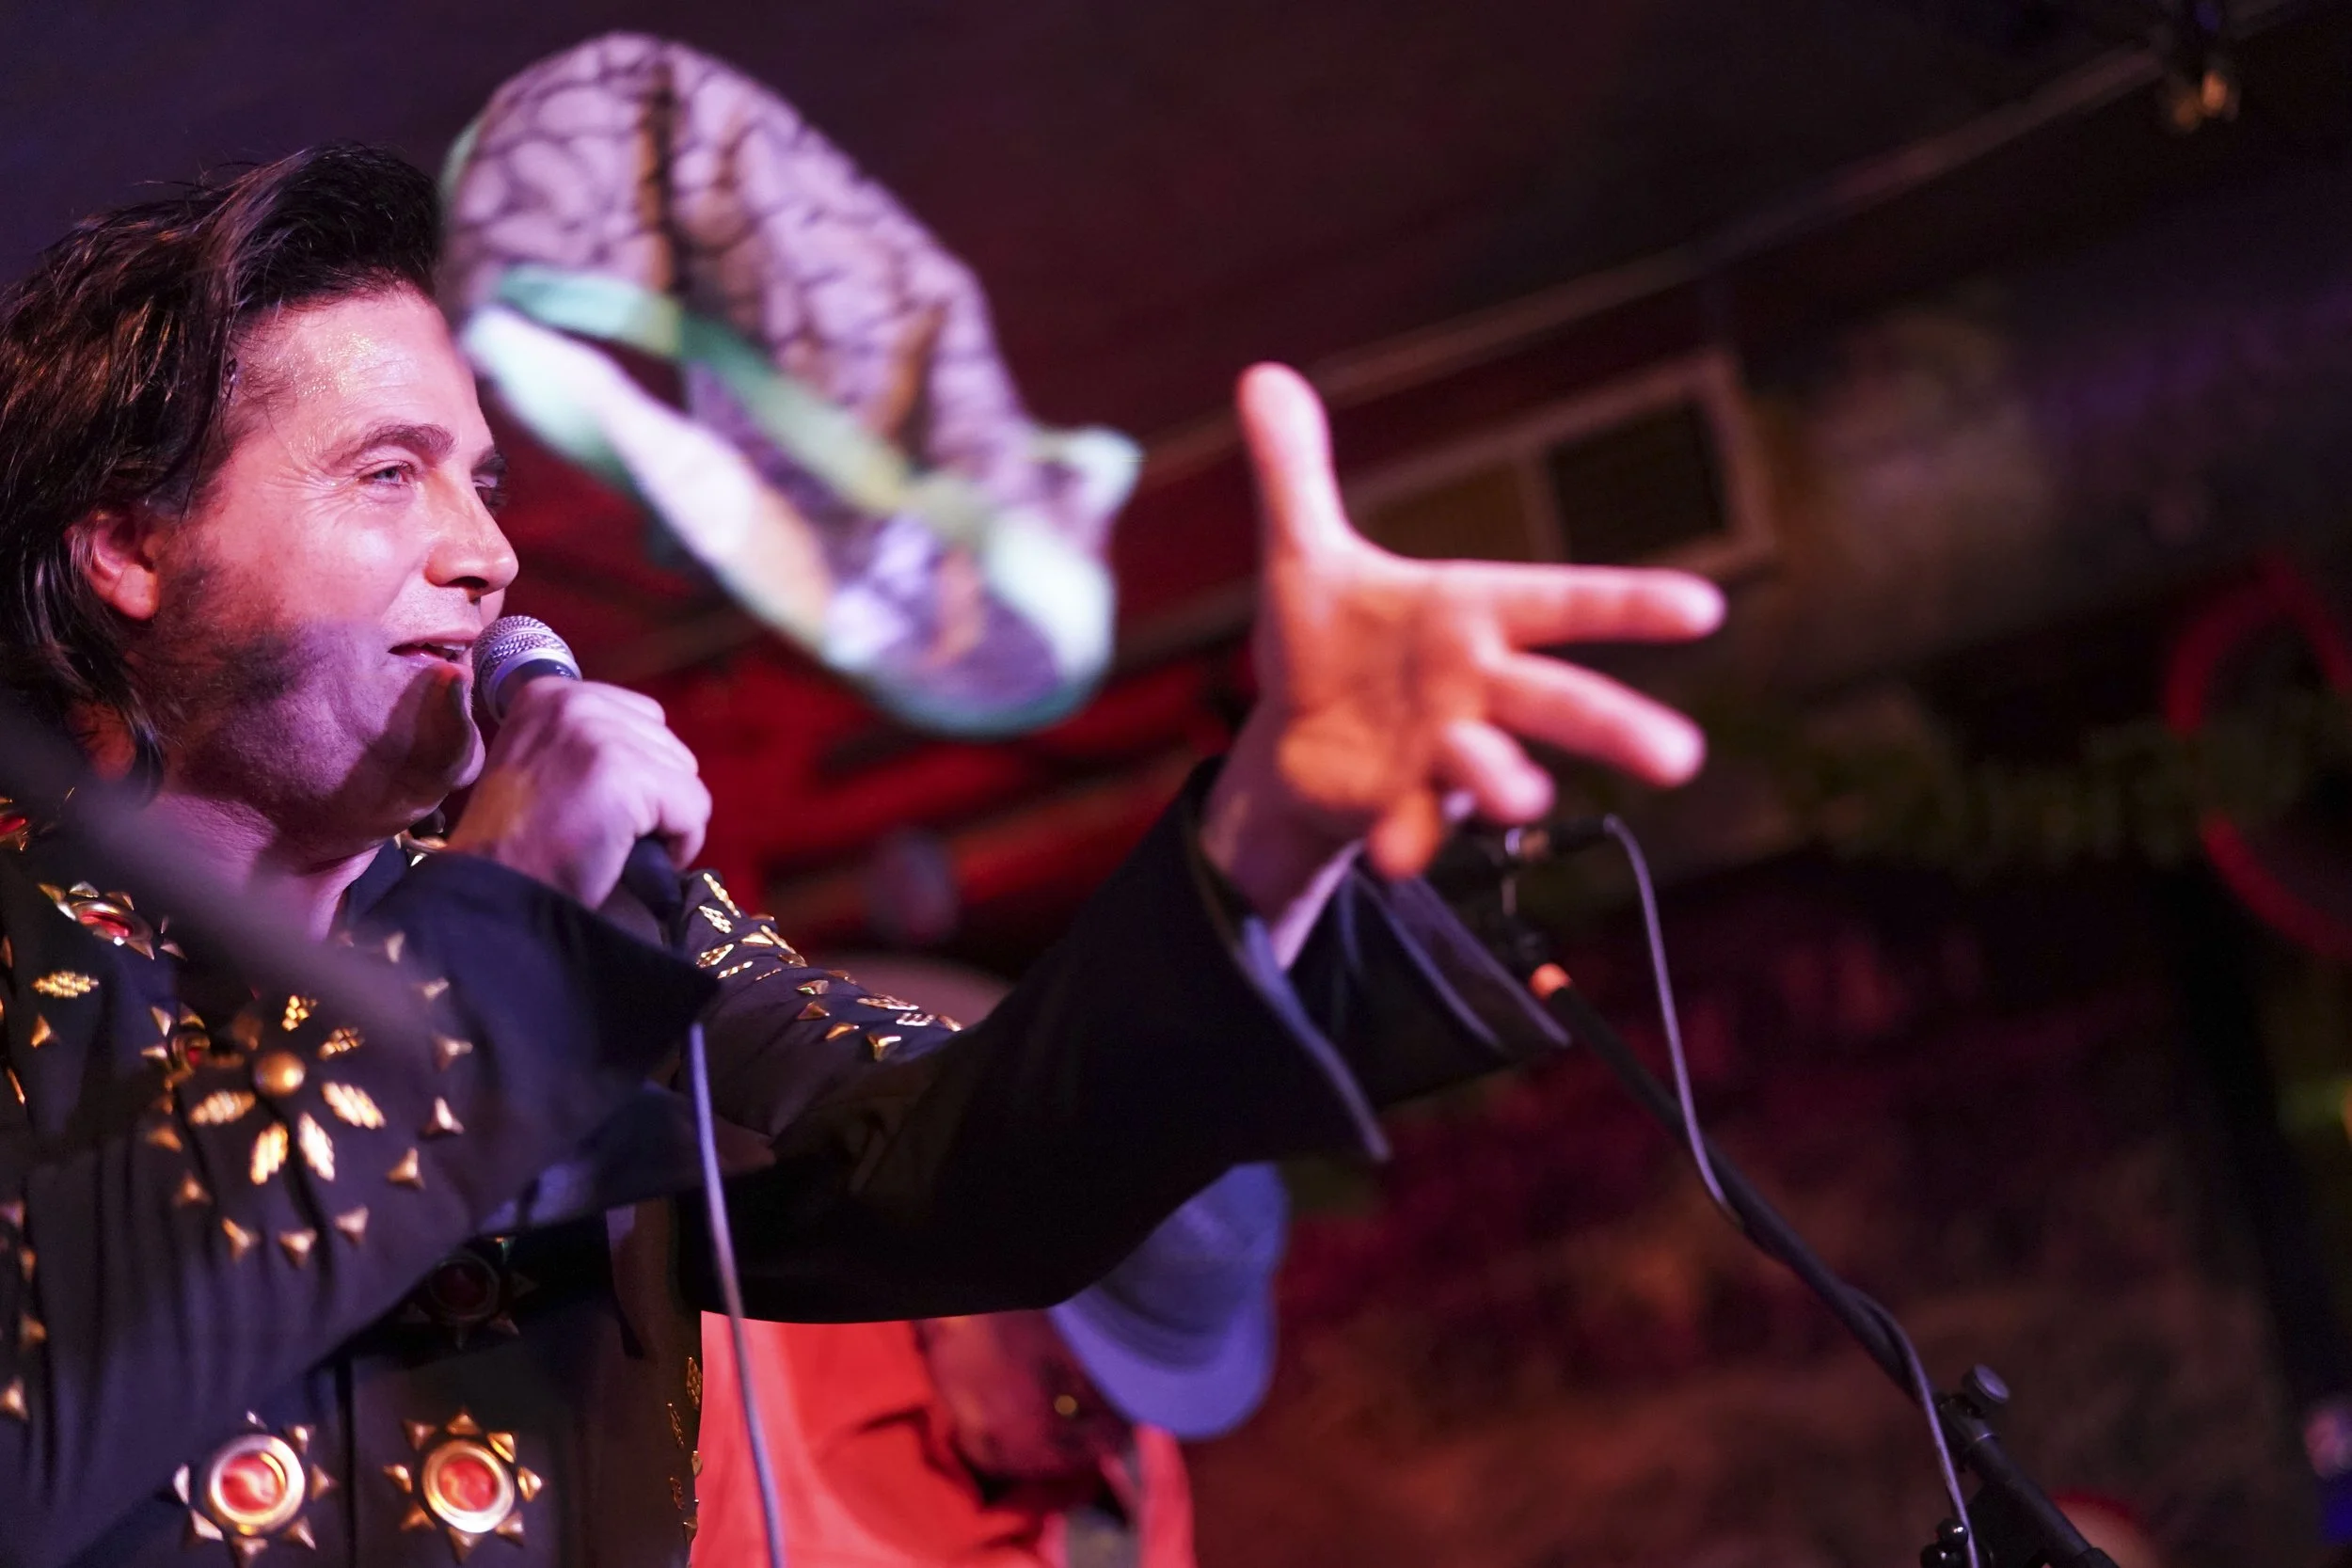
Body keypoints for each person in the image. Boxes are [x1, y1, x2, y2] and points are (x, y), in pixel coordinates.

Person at [0, 144, 1721, 1568]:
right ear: (130, 546)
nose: (488, 552)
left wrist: (1262, 834)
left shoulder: (597, 922)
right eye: (390, 474)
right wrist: (507, 916)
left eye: (484, 479)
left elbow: (955, 1159)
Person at [692, 1164, 1287, 1568]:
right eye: (1069, 1399)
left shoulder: (1133, 1487)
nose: (1099, 1450)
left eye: (1131, 1414)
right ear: (982, 1277)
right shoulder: (735, 1361)